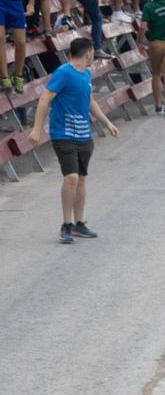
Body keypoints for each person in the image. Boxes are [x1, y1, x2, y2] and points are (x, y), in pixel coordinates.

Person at [32, 37, 118, 243]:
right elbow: (45, 98)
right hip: (63, 134)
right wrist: (36, 129)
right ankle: (66, 224)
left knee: (81, 179)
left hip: (84, 135)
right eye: (93, 53)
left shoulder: (86, 74)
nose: (93, 57)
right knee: (71, 177)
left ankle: (79, 223)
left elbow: (90, 101)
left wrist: (107, 123)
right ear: (88, 53)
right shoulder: (63, 73)